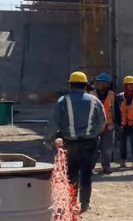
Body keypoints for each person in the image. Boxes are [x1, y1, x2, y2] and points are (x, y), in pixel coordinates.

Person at [43, 71, 107, 212]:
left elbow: (53, 123)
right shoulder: (94, 100)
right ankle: (85, 204)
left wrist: (49, 141)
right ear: (85, 85)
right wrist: (94, 134)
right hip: (90, 143)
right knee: (86, 174)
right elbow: (102, 122)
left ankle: (71, 203)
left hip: (70, 143)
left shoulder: (63, 101)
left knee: (71, 174)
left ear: (70, 85)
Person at [93, 72, 116, 174]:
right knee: (93, 147)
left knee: (107, 148)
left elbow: (116, 110)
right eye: (100, 83)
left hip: (108, 126)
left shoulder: (112, 95)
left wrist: (117, 124)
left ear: (108, 84)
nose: (102, 85)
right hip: (95, 126)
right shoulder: (91, 95)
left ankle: (106, 166)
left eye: (104, 83)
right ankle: (91, 167)